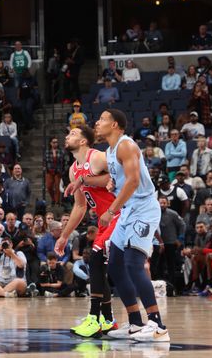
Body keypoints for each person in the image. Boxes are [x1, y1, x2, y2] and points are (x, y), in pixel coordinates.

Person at [94, 109, 169, 342]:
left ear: (115, 125)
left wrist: (110, 210)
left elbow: (135, 181)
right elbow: (121, 179)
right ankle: (136, 323)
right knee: (115, 266)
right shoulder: (109, 151)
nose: (97, 122)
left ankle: (157, 325)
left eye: (103, 119)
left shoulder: (126, 145)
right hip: (128, 211)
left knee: (134, 263)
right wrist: (110, 184)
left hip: (144, 208)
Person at [56, 125, 120, 338]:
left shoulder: (97, 157)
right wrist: (64, 235)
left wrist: (84, 180)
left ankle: (94, 318)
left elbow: (117, 176)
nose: (67, 136)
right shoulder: (73, 169)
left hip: (118, 215)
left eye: (73, 133)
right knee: (98, 267)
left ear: (84, 141)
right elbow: (80, 206)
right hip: (103, 221)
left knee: (94, 261)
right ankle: (108, 319)